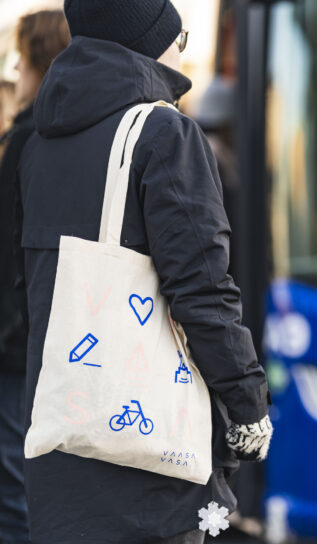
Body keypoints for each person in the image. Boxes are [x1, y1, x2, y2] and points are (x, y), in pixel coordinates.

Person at [14, 1, 273, 542]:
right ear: (144, 36)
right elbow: (203, 289)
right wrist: (248, 405)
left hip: (63, 437)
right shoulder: (164, 134)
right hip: (149, 459)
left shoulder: (39, 143)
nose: (184, 46)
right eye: (180, 33)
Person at [0, 10, 70, 544]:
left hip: (17, 343)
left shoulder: (26, 140)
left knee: (13, 492)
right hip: (65, 340)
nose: (15, 76)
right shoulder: (87, 137)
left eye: (21, 63)